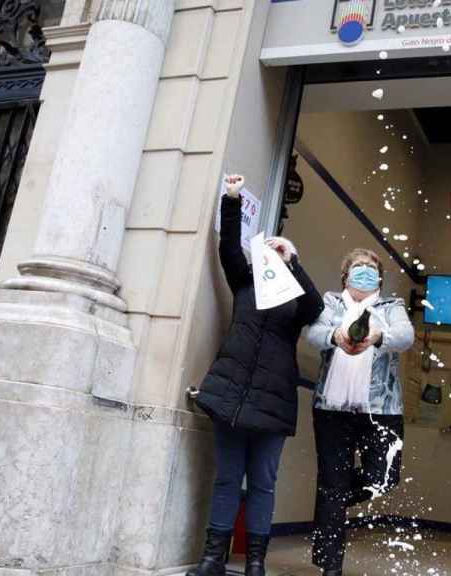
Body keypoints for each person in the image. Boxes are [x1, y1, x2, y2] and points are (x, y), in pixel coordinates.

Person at [188, 174, 324, 576]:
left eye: (276, 256)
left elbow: (315, 308)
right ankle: (213, 559)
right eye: (267, 253)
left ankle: (256, 564)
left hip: (273, 404)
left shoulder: (295, 299)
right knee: (228, 479)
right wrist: (231, 199)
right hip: (232, 398)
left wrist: (293, 260)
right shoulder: (244, 282)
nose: (270, 259)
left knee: (263, 483)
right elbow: (228, 246)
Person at [305, 248, 416, 576]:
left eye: (371, 268)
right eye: (358, 267)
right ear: (345, 275)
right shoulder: (330, 303)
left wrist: (379, 335)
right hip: (332, 409)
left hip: (381, 411)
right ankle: (330, 567)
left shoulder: (391, 306)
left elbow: (406, 337)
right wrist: (335, 335)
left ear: (380, 277)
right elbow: (312, 334)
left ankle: (333, 500)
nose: (365, 272)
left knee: (383, 477)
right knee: (332, 481)